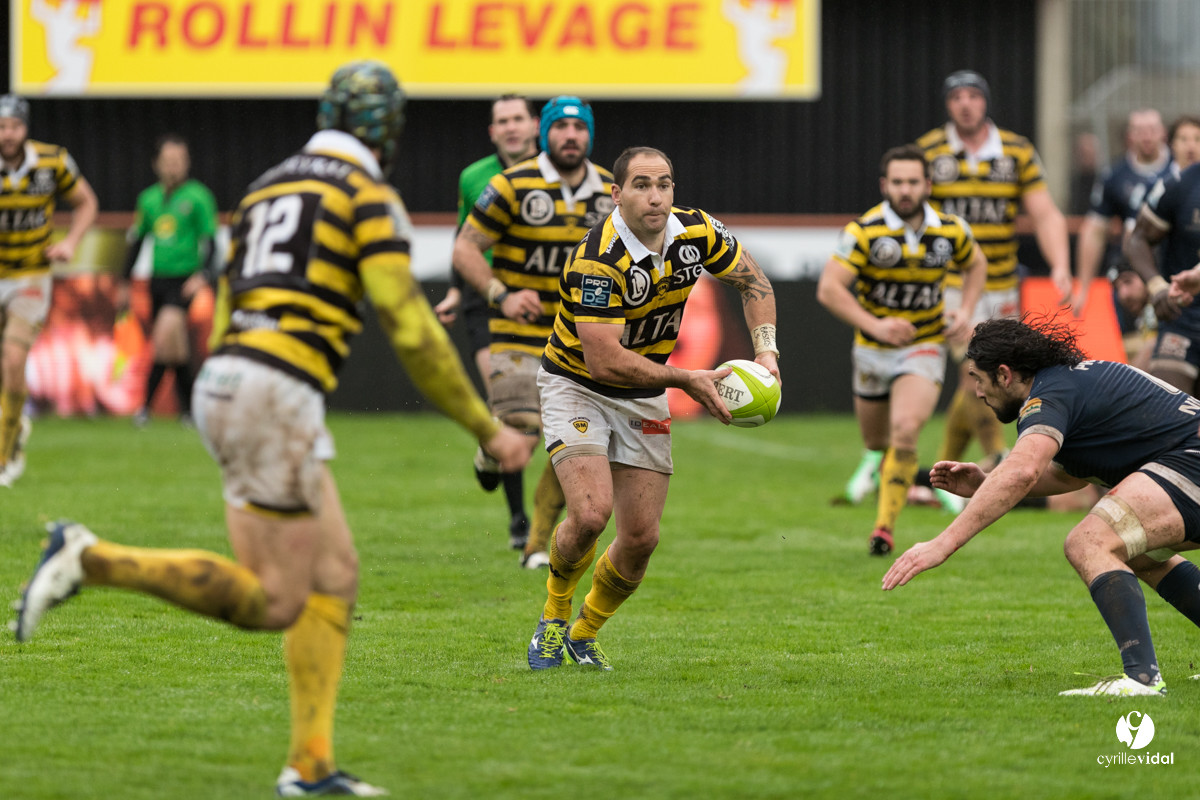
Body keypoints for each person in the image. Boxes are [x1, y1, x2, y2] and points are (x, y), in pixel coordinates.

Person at [12, 61, 531, 797]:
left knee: (337, 575)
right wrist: (488, 427)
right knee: (278, 599)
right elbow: (410, 329)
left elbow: (228, 295)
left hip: (234, 379)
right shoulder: (364, 193)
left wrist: (231, 380)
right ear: (386, 132)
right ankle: (91, 559)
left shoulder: (266, 184)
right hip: (274, 391)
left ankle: (310, 765)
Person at [526, 146, 779, 671]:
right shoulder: (597, 259)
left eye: (665, 184)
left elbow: (754, 281)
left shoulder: (697, 231)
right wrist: (687, 378)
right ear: (617, 195)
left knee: (641, 538)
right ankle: (551, 619)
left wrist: (767, 351)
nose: (657, 196)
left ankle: (584, 633)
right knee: (592, 514)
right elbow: (604, 363)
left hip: (643, 392)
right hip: (577, 386)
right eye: (642, 185)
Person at [883, 315, 1200, 697]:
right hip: (1187, 461)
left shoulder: (1047, 396)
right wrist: (986, 484)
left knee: (1089, 542)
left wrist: (942, 543)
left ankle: (1142, 680)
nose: (978, 394)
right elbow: (1068, 476)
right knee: (1138, 553)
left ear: (1004, 374)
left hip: (1192, 461)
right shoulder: (1067, 382)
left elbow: (1023, 472)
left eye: (979, 380)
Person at [452, 95, 614, 569]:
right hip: (517, 332)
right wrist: (501, 294)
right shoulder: (510, 185)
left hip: (578, 338)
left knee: (576, 441)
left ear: (589, 135)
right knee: (522, 437)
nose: (571, 136)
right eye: (560, 127)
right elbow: (466, 249)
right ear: (545, 134)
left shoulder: (610, 189)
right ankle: (492, 444)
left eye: (579, 128)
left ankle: (536, 545)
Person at [817, 144, 986, 556]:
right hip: (872, 351)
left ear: (927, 184)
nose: (905, 190)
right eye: (897, 182)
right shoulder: (865, 231)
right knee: (877, 444)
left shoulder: (951, 230)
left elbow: (977, 264)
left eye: (913, 181)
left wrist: (964, 310)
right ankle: (883, 478)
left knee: (906, 431)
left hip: (923, 344)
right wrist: (876, 325)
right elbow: (829, 289)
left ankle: (883, 529)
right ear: (884, 185)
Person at [915, 70, 1073, 477]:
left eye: (973, 96)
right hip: (950, 284)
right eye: (956, 97)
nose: (965, 103)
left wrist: (1060, 264)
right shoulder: (930, 151)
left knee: (992, 375)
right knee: (976, 372)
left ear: (985, 102)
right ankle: (999, 459)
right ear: (948, 105)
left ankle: (939, 474)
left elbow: (1044, 212)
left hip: (1002, 283)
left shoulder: (1016, 151)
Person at [435, 95, 539, 551]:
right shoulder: (474, 176)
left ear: (534, 125)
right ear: (492, 132)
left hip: (541, 300)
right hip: (487, 298)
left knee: (530, 419)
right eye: (503, 121)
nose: (512, 127)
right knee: (510, 403)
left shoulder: (554, 177)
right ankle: (520, 522)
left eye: (518, 118)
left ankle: (488, 453)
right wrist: (458, 290)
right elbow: (465, 238)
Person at [0, 93, 98, 486]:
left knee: (12, 358)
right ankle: (15, 426)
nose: (7, 134)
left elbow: (87, 203)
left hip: (31, 275)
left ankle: (6, 450)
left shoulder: (53, 162)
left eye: (14, 127)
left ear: (26, 129)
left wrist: (72, 241)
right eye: (2, 127)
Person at [121, 133, 219, 427]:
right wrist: (124, 282)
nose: (174, 167)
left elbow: (212, 243)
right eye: (168, 161)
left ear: (187, 163)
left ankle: (145, 408)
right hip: (157, 280)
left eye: (179, 161)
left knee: (164, 339)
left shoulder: (199, 197)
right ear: (156, 164)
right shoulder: (148, 199)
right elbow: (137, 242)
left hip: (184, 280)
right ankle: (190, 411)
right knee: (174, 350)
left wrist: (202, 275)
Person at [1071, 109, 1171, 315]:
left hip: (1171, 273)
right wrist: (1083, 288)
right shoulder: (1114, 176)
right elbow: (1094, 232)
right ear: (1129, 136)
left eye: (1152, 129)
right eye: (1139, 130)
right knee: (1135, 346)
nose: (1146, 136)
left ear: (1163, 133)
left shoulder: (1179, 171)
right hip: (1130, 277)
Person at [1123, 154, 1200, 395]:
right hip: (1183, 316)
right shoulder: (1179, 184)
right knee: (1166, 418)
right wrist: (1157, 286)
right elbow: (1137, 238)